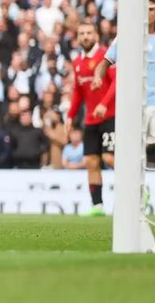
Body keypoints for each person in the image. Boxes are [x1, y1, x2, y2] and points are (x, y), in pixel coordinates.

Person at [94, 2, 155, 220]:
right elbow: (104, 62)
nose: (149, 11)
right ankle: (138, 194)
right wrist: (98, 76)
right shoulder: (125, 38)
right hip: (133, 104)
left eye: (153, 8)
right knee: (133, 154)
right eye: (145, 7)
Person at [65, 21, 116, 217]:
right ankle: (98, 205)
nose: (85, 36)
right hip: (90, 119)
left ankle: (137, 186)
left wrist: (104, 103)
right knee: (91, 161)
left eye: (88, 33)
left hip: (110, 116)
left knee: (109, 157)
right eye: (81, 33)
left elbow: (115, 83)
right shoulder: (77, 62)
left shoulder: (106, 57)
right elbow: (78, 92)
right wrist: (70, 115)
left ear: (96, 35)